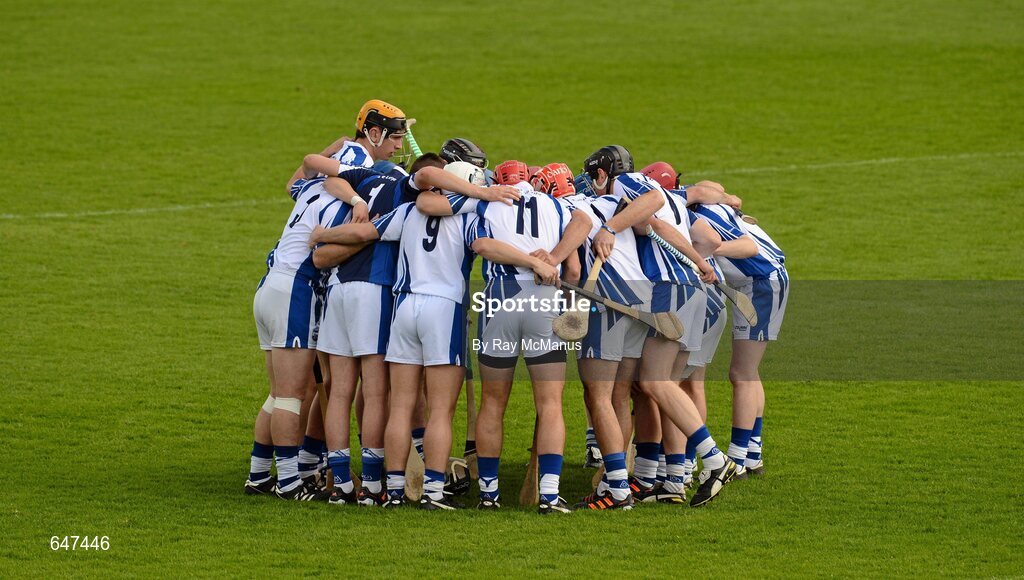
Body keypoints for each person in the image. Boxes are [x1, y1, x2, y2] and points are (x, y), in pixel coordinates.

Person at [312, 162, 549, 510]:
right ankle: (434, 492)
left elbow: (363, 235)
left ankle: (392, 491)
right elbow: (485, 246)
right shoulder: (471, 213)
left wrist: (323, 235)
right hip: (444, 310)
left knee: (401, 405)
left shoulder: (408, 210)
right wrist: (533, 262)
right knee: (440, 409)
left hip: (404, 309)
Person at [416, 161, 589, 514]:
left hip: (499, 302)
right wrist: (549, 259)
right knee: (550, 403)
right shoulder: (556, 204)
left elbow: (477, 241)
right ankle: (550, 495)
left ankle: (489, 495)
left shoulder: (485, 201)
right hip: (545, 301)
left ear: (499, 181)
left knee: (493, 402)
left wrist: (482, 196)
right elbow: (583, 229)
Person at [584, 145, 736, 507]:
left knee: (655, 382)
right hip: (689, 288)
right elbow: (660, 224)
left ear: (603, 173)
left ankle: (714, 460)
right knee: (662, 387)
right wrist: (700, 261)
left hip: (671, 289)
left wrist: (608, 227)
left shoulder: (627, 185)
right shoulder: (661, 193)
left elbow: (651, 202)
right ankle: (674, 479)